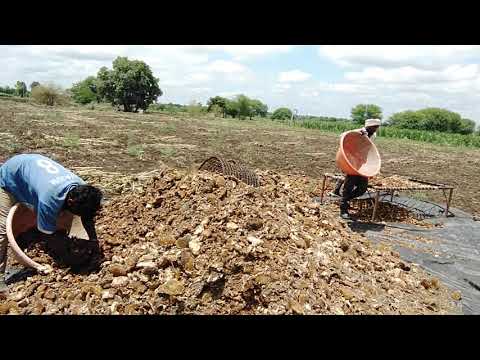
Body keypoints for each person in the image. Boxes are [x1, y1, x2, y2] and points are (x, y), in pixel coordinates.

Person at [0, 154, 103, 298]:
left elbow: (87, 217)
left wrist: (94, 243)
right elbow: (47, 235)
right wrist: (69, 258)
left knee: (58, 217)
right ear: (71, 201)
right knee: (2, 230)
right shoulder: (50, 198)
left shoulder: (82, 189)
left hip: (33, 171)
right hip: (11, 175)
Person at [334, 119, 381, 219]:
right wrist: (358, 133)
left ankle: (344, 200)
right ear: (368, 126)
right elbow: (342, 136)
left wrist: (371, 166)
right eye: (374, 127)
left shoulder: (374, 135)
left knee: (362, 189)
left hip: (362, 163)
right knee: (348, 187)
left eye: (377, 127)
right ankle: (343, 210)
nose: (376, 129)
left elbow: (369, 148)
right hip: (351, 161)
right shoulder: (359, 131)